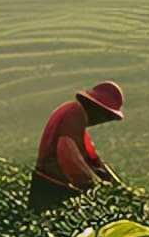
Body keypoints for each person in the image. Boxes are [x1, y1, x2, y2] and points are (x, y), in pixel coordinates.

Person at [29, 81, 124, 211]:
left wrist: (111, 180)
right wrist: (90, 184)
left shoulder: (76, 119)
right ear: (96, 109)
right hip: (52, 185)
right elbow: (67, 152)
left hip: (50, 183)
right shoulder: (75, 113)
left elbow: (90, 156)